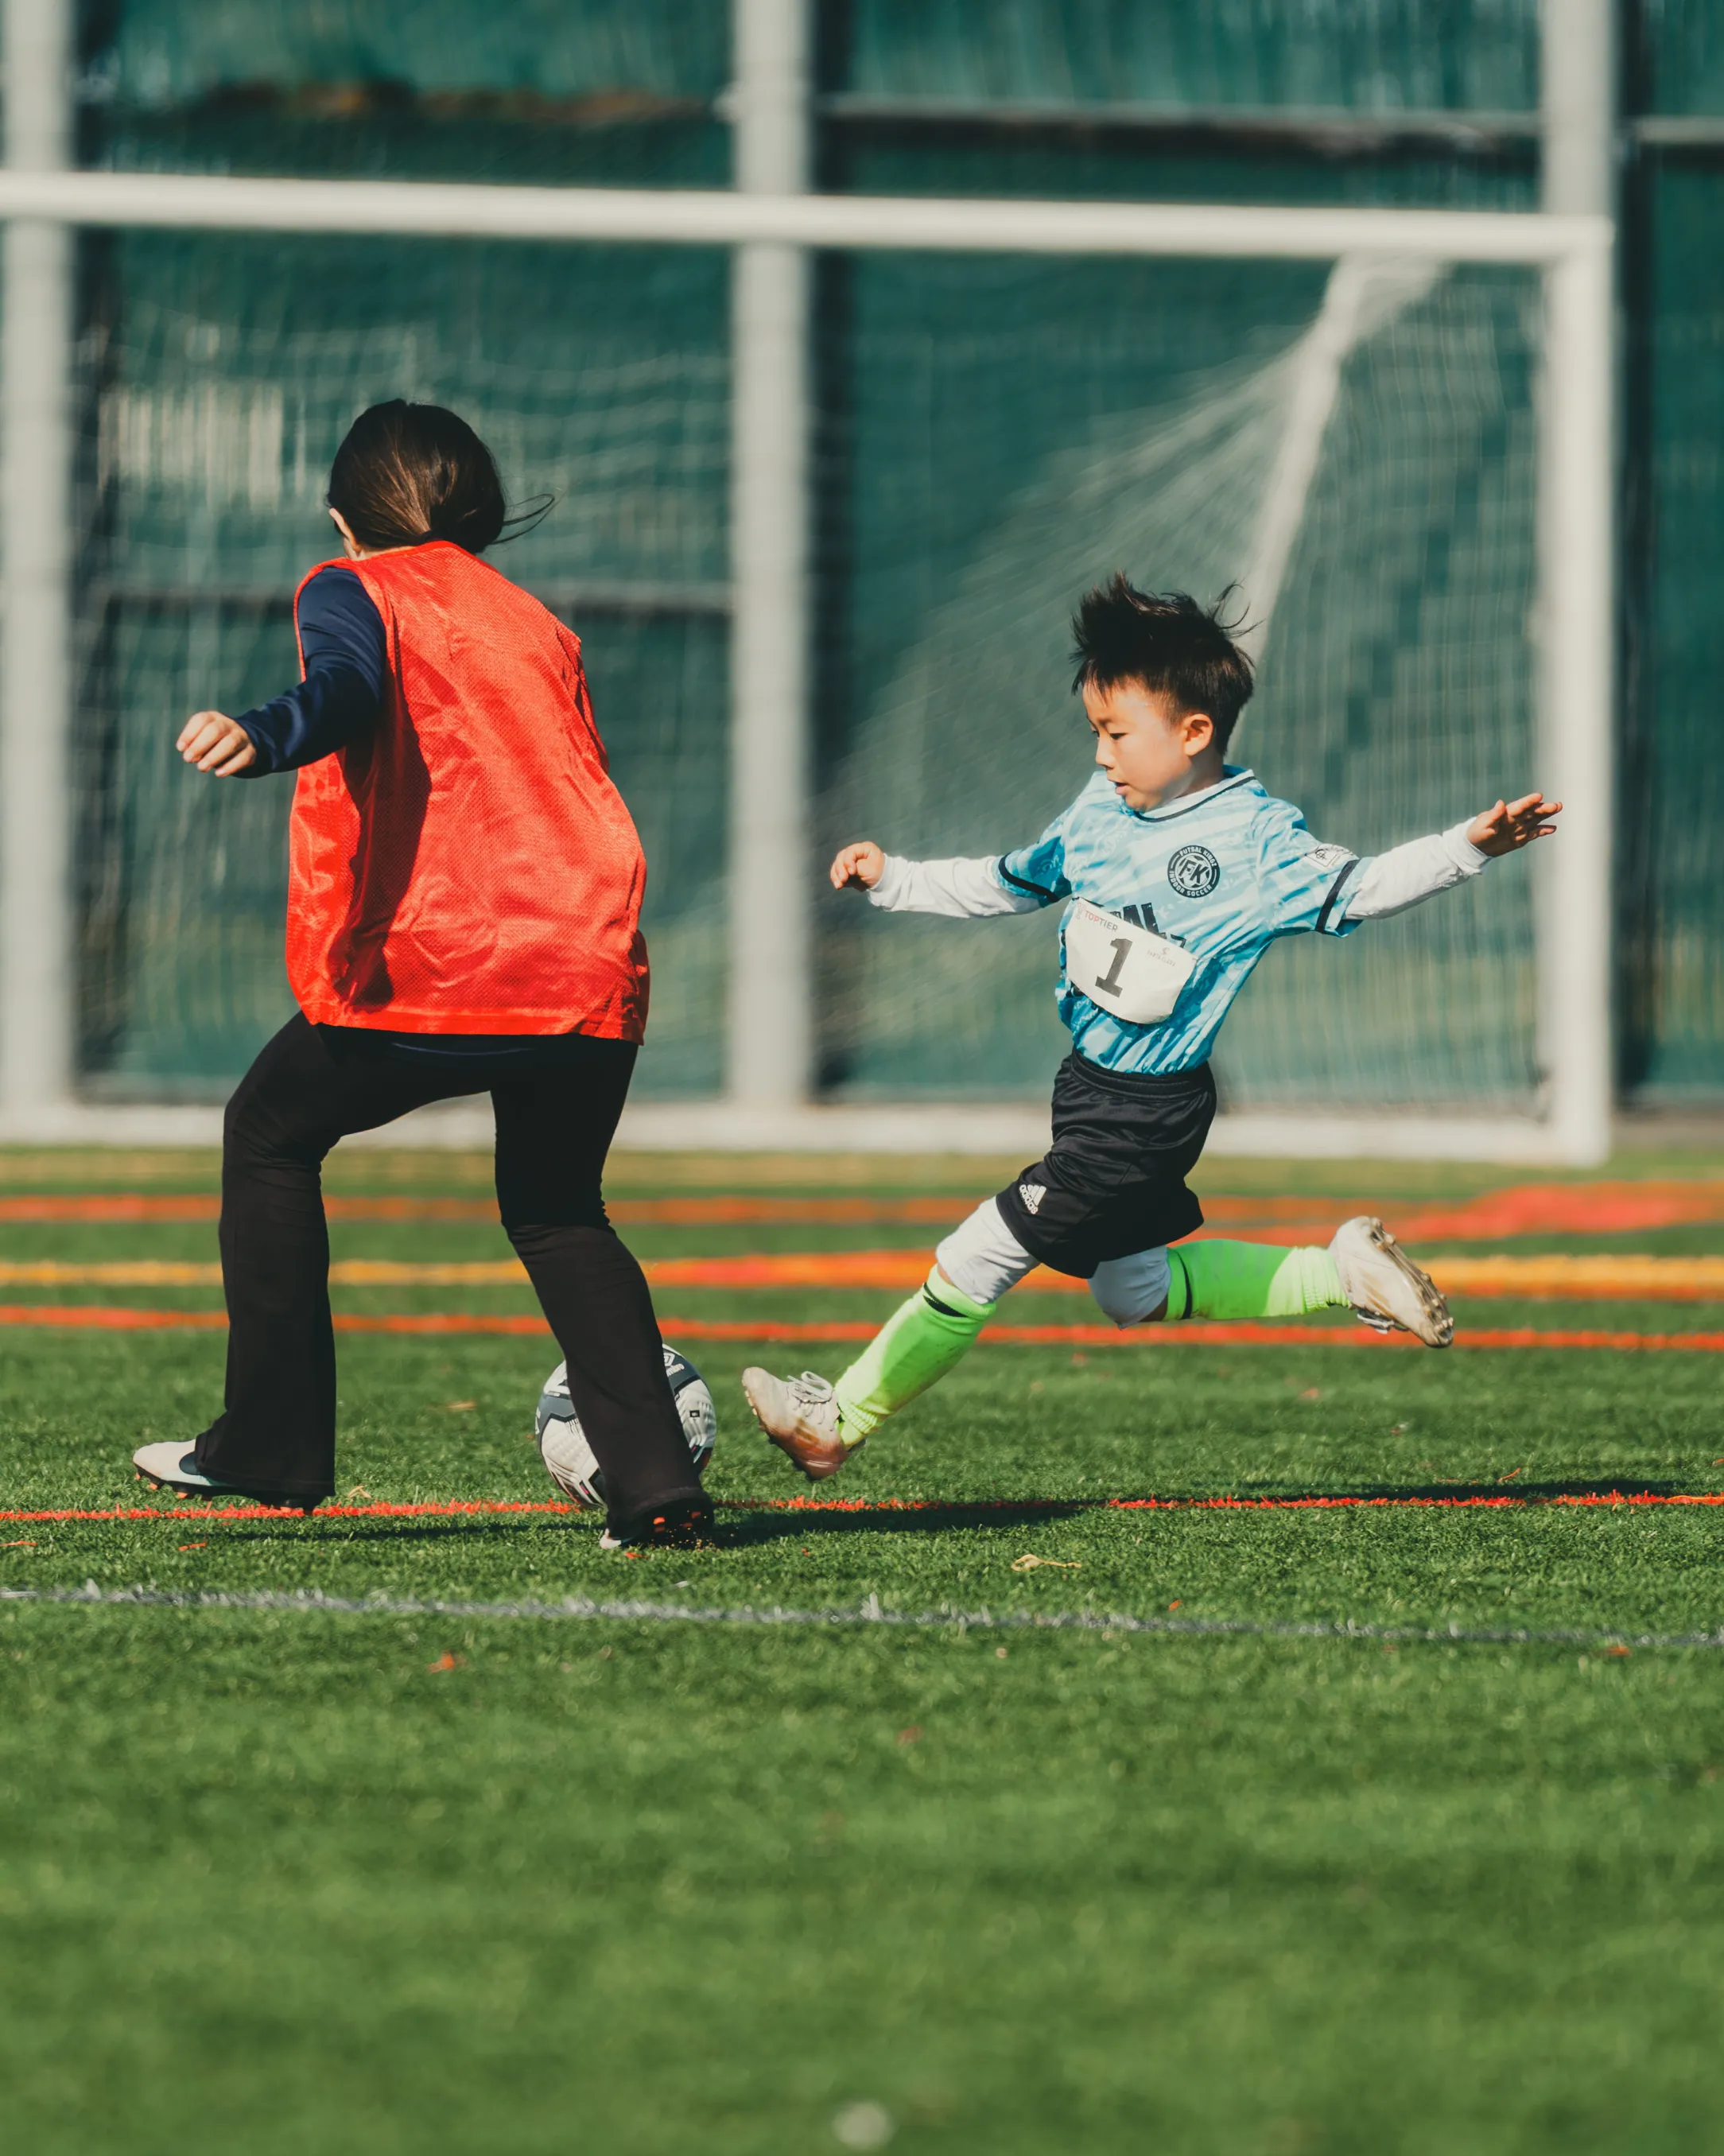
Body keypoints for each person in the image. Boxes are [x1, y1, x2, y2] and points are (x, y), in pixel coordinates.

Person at [743, 576, 1559, 1481]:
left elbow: (1363, 886)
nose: (1101, 756)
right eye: (1095, 732)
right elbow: (1011, 880)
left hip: (1146, 1114)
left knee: (981, 1248)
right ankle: (1341, 1272)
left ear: (1193, 732)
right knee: (1129, 1290)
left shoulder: (1254, 840)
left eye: (1116, 733)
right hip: (1088, 1091)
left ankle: (837, 1421)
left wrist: (1467, 846)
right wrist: (895, 878)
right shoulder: (1099, 812)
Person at [132, 400, 713, 1548]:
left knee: (267, 1133)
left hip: (446, 956)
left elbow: (349, 690)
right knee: (558, 1209)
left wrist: (268, 729)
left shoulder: (355, 585)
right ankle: (659, 1491)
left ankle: (268, 1444)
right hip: (588, 954)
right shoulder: (534, 618)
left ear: (342, 518)